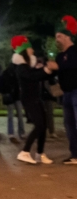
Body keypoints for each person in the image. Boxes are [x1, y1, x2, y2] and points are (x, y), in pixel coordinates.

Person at [12, 36, 54, 165]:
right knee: (40, 125)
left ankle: (40, 154)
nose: (32, 50)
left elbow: (35, 76)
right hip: (29, 99)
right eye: (29, 47)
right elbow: (32, 78)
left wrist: (42, 69)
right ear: (24, 50)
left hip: (36, 98)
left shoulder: (28, 65)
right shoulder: (21, 67)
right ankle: (24, 152)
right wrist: (46, 70)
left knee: (43, 126)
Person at [47, 15, 77, 164]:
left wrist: (58, 67)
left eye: (59, 36)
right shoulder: (59, 56)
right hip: (66, 93)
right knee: (69, 125)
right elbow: (58, 72)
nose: (57, 39)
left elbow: (72, 66)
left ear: (67, 37)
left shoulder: (75, 51)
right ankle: (75, 155)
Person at [1, 59, 25, 143]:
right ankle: (17, 133)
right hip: (12, 96)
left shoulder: (10, 72)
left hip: (15, 96)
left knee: (16, 115)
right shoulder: (10, 73)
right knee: (17, 115)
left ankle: (14, 133)